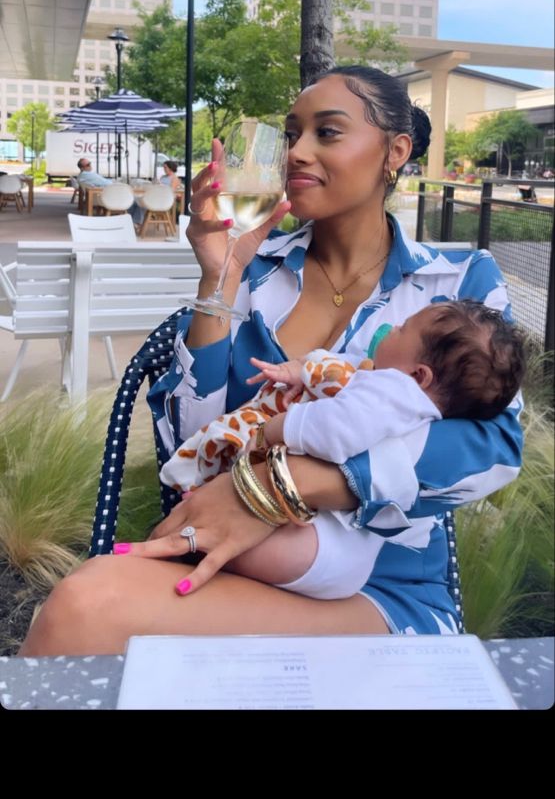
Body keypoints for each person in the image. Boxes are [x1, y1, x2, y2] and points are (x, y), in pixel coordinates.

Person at [19, 66, 523, 655]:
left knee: (88, 606)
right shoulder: (255, 271)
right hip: (242, 563)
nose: (297, 152)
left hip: (382, 589)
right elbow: (192, 441)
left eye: (327, 133)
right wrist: (221, 275)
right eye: (291, 134)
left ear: (396, 150)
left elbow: (493, 453)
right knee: (82, 606)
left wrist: (291, 486)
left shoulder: (456, 283)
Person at [158, 301, 525, 598]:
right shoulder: (414, 401)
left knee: (212, 544)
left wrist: (279, 427)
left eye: (402, 329)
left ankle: (207, 551)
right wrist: (304, 370)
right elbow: (350, 373)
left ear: (419, 376)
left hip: (321, 544)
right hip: (344, 545)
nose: (391, 327)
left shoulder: (392, 391)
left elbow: (337, 430)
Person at [129, 159, 182, 226]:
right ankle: (131, 221)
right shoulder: (163, 177)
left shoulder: (174, 178)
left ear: (171, 167)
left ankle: (136, 222)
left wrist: (160, 185)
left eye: (165, 167)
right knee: (135, 200)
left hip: (164, 200)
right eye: (163, 167)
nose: (164, 169)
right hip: (156, 196)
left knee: (143, 201)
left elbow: (170, 190)